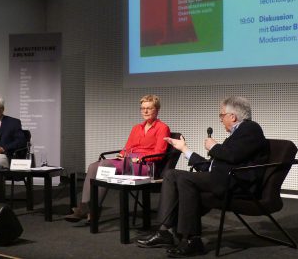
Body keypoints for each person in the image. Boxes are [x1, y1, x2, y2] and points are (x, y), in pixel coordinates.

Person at [136, 96, 269, 257]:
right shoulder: (237, 135)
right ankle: (166, 232)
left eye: (222, 115)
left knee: (185, 179)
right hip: (222, 178)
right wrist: (184, 149)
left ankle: (192, 240)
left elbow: (232, 156)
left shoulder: (250, 128)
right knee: (171, 174)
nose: (221, 120)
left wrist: (213, 146)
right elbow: (212, 166)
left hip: (238, 184)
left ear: (232, 116)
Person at [65, 94, 171, 223]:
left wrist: (139, 159)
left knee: (105, 165)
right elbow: (127, 147)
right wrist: (122, 154)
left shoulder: (162, 128)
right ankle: (85, 207)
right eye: (142, 108)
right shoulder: (137, 128)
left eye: (149, 108)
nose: (145, 111)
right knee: (93, 166)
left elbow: (159, 153)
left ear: (157, 109)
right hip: (129, 162)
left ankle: (92, 209)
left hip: (145, 165)